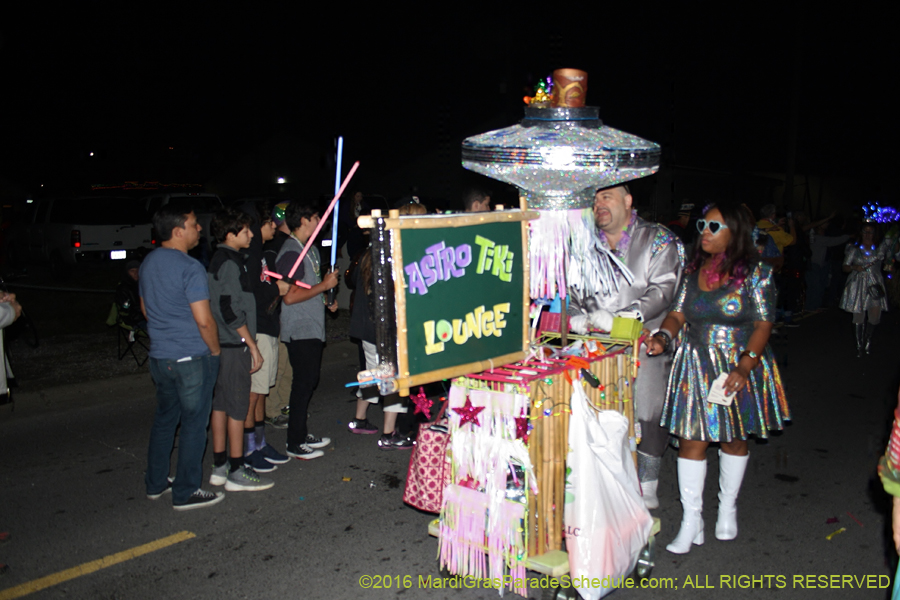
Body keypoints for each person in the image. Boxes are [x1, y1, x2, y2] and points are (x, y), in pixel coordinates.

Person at [648, 202, 790, 554]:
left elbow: (763, 324)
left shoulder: (757, 274)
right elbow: (678, 313)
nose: (705, 233)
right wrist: (663, 337)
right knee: (691, 441)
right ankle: (691, 520)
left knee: (733, 440)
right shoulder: (692, 269)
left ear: (736, 233)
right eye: (702, 226)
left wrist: (745, 366)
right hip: (695, 363)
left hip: (738, 364)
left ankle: (727, 507)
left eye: (714, 226)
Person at [568, 184, 684, 509]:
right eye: (593, 199)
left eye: (606, 196)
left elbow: (664, 289)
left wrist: (620, 320)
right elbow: (574, 292)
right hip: (596, 345)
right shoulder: (585, 246)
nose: (598, 204)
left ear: (628, 201)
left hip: (646, 340)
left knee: (647, 399)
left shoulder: (659, 239)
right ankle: (602, 476)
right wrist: (579, 317)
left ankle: (648, 480)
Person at [140, 201, 223, 510]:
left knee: (165, 421)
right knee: (193, 424)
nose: (199, 228)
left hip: (161, 358)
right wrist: (214, 351)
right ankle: (186, 491)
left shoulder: (148, 263)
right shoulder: (190, 267)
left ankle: (156, 482)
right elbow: (204, 319)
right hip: (191, 357)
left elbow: (147, 310)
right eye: (193, 223)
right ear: (177, 231)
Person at [206, 208, 273, 492]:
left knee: (220, 405)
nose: (251, 234)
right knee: (236, 406)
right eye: (245, 230)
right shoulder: (230, 264)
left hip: (221, 343)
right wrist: (251, 344)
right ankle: (236, 467)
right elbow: (229, 308)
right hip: (234, 345)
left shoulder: (223, 259)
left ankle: (219, 466)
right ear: (231, 235)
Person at [346, 202, 423, 449]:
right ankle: (389, 434)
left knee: (373, 374)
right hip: (382, 332)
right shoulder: (394, 253)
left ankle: (359, 419)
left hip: (366, 329)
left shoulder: (374, 250)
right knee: (392, 379)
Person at [276, 200, 339, 459]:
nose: (320, 221)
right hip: (299, 328)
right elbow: (289, 296)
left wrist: (326, 298)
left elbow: (308, 286)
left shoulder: (309, 248)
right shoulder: (292, 252)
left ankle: (301, 433)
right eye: (316, 216)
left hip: (312, 326)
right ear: (303, 220)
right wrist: (323, 287)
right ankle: (294, 442)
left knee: (309, 381)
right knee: (303, 384)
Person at [238, 201, 291, 466]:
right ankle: (248, 450)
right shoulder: (249, 254)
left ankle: (259, 441)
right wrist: (276, 290)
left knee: (262, 391)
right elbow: (252, 295)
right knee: (253, 393)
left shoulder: (260, 252)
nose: (274, 224)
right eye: (268, 221)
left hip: (267, 329)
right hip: (257, 330)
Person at [840, 221, 892, 357]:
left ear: (874, 234)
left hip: (875, 285)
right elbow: (844, 266)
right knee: (858, 315)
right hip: (857, 284)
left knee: (875, 316)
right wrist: (853, 267)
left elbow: (891, 259)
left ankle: (867, 340)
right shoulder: (854, 250)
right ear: (861, 233)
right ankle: (859, 345)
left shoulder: (879, 250)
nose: (868, 234)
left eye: (871, 232)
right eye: (865, 231)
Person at [115, 259, 147, 332]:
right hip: (135, 319)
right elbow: (127, 308)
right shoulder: (123, 288)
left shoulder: (144, 284)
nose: (135, 273)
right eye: (132, 271)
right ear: (127, 272)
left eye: (137, 270)